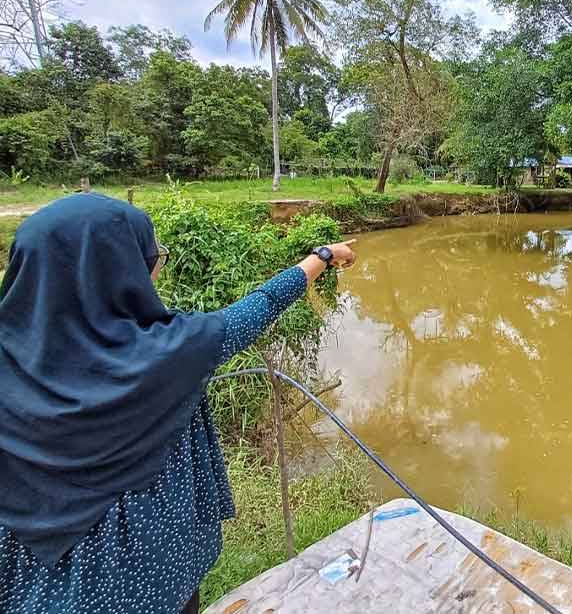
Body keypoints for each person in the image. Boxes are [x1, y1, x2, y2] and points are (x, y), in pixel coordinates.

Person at [0, 194, 357, 614]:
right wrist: (323, 256)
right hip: (147, 571)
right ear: (120, 270)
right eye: (150, 258)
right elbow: (260, 306)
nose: (154, 269)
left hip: (30, 582)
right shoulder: (169, 353)